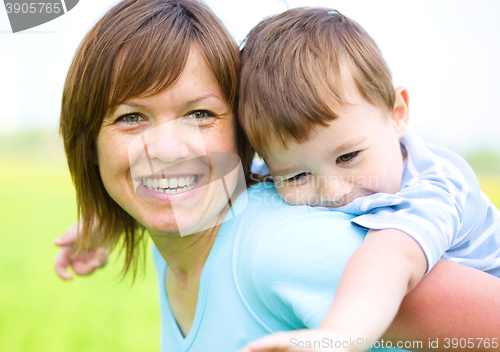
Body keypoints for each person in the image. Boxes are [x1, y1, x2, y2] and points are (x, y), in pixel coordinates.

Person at [55, 1, 500, 351]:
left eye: (200, 113)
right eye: (131, 117)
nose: (167, 149)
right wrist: (107, 222)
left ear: (241, 133)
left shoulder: (283, 248)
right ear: (88, 142)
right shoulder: (181, 233)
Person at [236, 7, 500, 352]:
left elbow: (390, 258)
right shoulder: (335, 152)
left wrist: (339, 336)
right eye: (298, 176)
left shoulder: (434, 189)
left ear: (396, 114)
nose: (333, 191)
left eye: (348, 157)